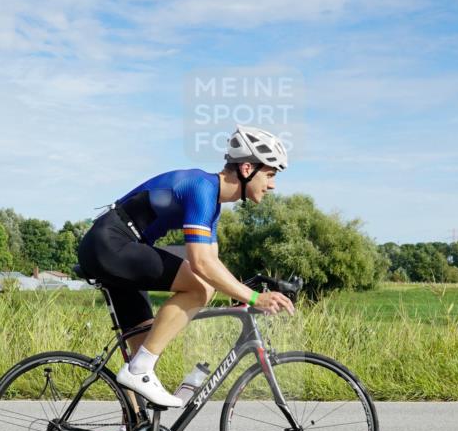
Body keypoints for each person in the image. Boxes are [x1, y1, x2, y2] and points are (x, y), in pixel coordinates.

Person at [77, 125, 296, 407]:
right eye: (269, 174)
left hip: (119, 249)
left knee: (144, 348)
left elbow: (213, 262)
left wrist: (246, 289)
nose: (272, 185)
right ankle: (139, 371)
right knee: (199, 287)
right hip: (111, 246)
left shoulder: (211, 204)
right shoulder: (201, 189)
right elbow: (202, 265)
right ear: (246, 169)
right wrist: (255, 298)